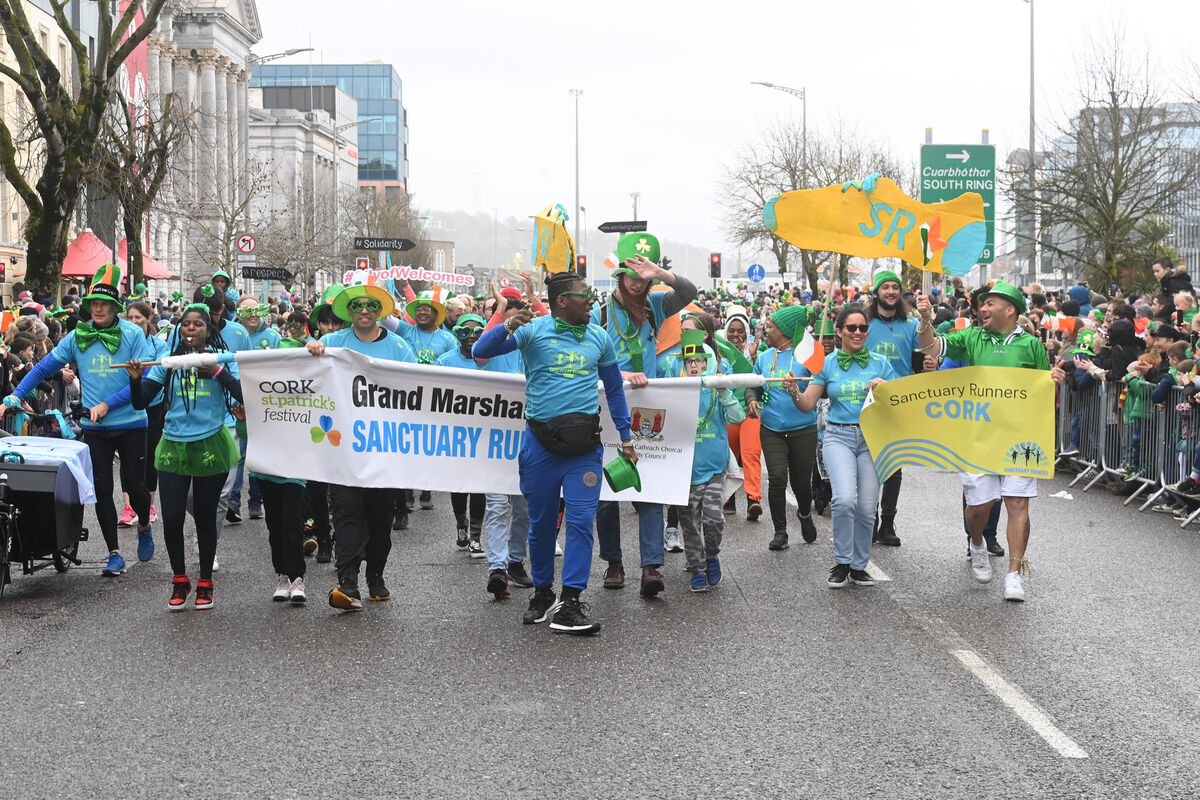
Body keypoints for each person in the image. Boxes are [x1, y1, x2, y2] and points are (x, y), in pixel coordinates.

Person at [474, 272, 635, 635]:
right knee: (542, 526)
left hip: (585, 451)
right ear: (562, 302)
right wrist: (505, 326)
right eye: (585, 296)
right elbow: (480, 352)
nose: (592, 301)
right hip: (540, 447)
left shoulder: (599, 336)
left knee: (580, 522)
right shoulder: (533, 330)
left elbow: (614, 390)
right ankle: (543, 593)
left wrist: (626, 438)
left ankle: (572, 600)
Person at [916, 280, 1066, 602]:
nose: (982, 308)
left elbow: (1042, 390)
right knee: (979, 508)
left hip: (1019, 437)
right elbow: (930, 348)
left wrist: (1053, 380)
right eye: (982, 304)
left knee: (1016, 503)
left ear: (1009, 309)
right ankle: (977, 543)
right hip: (979, 436)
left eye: (989, 303)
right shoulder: (972, 337)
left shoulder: (1031, 345)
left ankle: (1014, 574)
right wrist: (925, 320)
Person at [5, 264, 155, 575]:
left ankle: (143, 523)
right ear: (88, 306)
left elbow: (145, 381)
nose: (98, 308)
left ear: (115, 308)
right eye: (94, 304)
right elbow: (43, 369)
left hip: (131, 422)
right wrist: (15, 396)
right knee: (101, 489)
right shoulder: (76, 337)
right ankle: (114, 554)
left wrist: (106, 404)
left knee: (137, 488)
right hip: (95, 427)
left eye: (105, 304)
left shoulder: (133, 334)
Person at [591, 233, 697, 597]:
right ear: (618, 276)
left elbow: (689, 293)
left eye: (645, 278)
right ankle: (613, 562)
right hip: (608, 408)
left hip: (649, 411)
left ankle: (651, 566)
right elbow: (586, 359)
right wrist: (618, 376)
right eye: (632, 276)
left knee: (649, 489)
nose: (638, 284)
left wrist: (661, 274)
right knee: (607, 493)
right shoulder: (598, 312)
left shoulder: (655, 304)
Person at [305, 273, 417, 610]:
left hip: (385, 449)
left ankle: (376, 575)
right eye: (357, 305)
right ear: (349, 311)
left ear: (380, 311)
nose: (364, 310)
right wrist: (312, 349)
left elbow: (418, 389)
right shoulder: (335, 341)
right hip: (344, 448)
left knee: (380, 520)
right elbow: (310, 369)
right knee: (346, 513)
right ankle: (348, 582)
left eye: (370, 305)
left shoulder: (399, 347)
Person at [126, 303, 242, 610]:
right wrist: (136, 378)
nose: (191, 328)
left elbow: (244, 395)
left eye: (197, 324)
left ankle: (205, 580)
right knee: (173, 517)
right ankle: (180, 579)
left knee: (205, 517)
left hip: (210, 446)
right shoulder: (169, 364)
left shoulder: (220, 360)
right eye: (186, 324)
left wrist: (218, 372)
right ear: (179, 330)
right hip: (174, 446)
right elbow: (140, 402)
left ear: (208, 329)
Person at [785, 306, 895, 587]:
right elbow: (807, 404)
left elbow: (899, 403)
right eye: (851, 328)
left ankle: (859, 566)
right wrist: (794, 391)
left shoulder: (881, 363)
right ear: (839, 331)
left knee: (868, 507)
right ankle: (842, 562)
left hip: (872, 440)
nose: (858, 333)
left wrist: (886, 388)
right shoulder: (827, 364)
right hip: (838, 437)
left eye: (863, 328)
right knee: (845, 500)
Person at [436, 313, 531, 596]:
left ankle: (515, 561)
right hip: (483, 447)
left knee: (524, 508)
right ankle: (498, 568)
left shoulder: (515, 355)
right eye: (466, 331)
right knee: (498, 505)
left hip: (522, 442)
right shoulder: (448, 361)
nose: (473, 337)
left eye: (480, 331)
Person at [667, 329, 745, 592]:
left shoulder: (715, 389)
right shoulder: (675, 389)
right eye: (690, 362)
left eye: (701, 361)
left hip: (714, 467)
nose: (696, 366)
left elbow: (737, 418)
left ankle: (711, 557)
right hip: (684, 469)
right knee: (689, 523)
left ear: (709, 362)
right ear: (683, 364)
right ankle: (697, 567)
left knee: (713, 519)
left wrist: (724, 393)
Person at [744, 304, 819, 550]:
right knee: (776, 478)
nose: (767, 330)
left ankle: (805, 514)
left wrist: (797, 388)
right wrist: (752, 399)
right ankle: (780, 531)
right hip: (772, 429)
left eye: (772, 326)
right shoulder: (765, 357)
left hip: (803, 429)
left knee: (801, 484)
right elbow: (753, 385)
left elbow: (823, 386)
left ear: (785, 330)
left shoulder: (807, 356)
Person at [863, 270, 920, 547]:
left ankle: (887, 522)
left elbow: (920, 361)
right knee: (870, 463)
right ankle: (870, 519)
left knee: (894, 466)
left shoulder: (910, 326)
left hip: (899, 402)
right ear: (876, 292)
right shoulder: (864, 324)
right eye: (885, 287)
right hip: (868, 400)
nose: (890, 291)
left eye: (895, 287)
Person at [721, 305, 763, 522]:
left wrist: (754, 358)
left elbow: (763, 379)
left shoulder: (758, 352)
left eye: (741, 331)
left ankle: (753, 500)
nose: (736, 335)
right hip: (728, 412)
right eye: (732, 331)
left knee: (751, 453)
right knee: (727, 458)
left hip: (751, 411)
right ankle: (728, 498)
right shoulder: (718, 352)